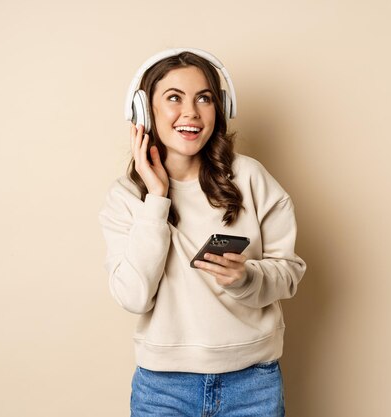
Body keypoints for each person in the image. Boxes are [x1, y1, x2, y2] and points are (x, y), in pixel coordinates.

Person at [99, 48, 306, 417]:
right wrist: (157, 200)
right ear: (144, 111)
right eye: (174, 98)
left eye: (204, 98)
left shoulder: (251, 178)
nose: (191, 112)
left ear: (221, 109)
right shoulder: (126, 197)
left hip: (252, 384)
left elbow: (289, 273)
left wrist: (247, 277)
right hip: (163, 388)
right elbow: (133, 297)